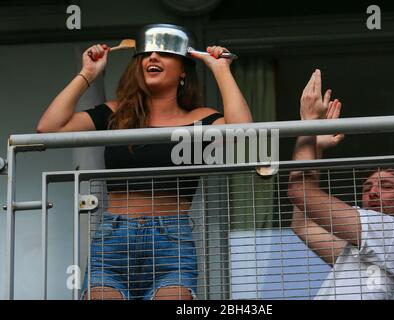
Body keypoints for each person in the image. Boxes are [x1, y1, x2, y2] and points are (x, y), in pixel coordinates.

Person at [36, 24, 252, 300]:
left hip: (171, 243)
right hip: (113, 241)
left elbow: (244, 133)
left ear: (184, 69)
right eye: (146, 54)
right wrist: (88, 74)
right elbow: (49, 128)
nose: (152, 58)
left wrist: (220, 68)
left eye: (163, 54)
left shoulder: (202, 118)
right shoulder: (116, 114)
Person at [287, 69, 394, 300]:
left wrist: (307, 125)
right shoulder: (368, 247)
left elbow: (300, 192)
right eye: (367, 188)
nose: (374, 193)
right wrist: (316, 145)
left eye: (386, 186)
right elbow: (303, 225)